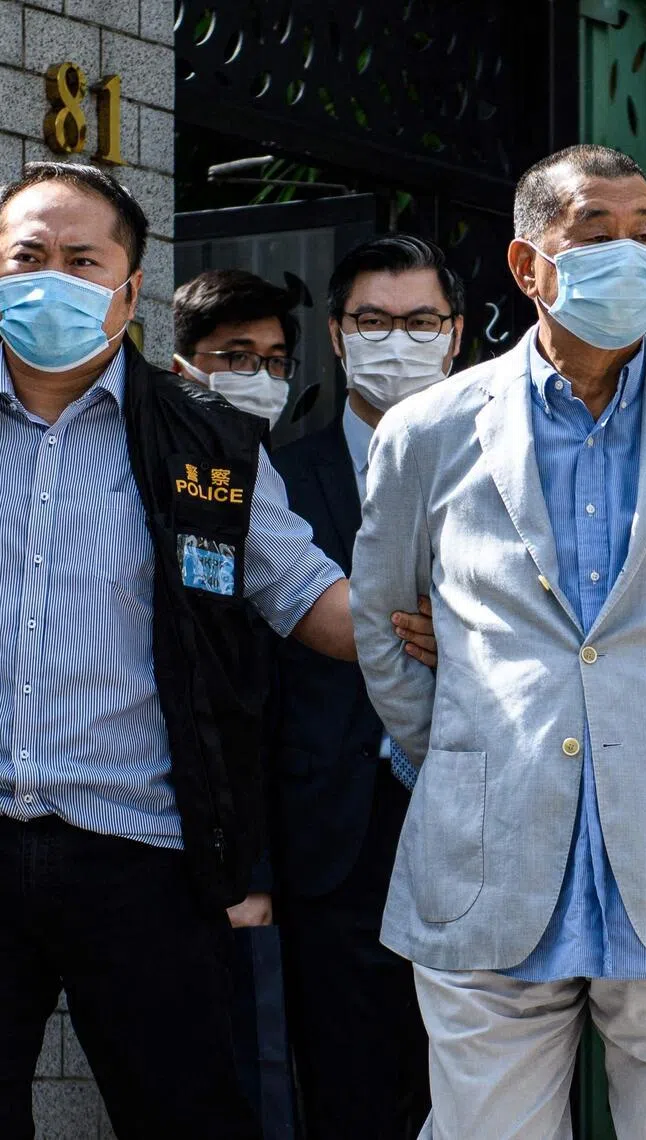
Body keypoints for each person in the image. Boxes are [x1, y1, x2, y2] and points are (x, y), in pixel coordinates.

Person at [350, 143, 646, 1139]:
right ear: (529, 266)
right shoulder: (426, 431)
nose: (630, 253)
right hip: (488, 853)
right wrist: (470, 748)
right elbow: (383, 626)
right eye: (595, 235)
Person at [0, 161, 355, 1140]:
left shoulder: (208, 444)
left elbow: (312, 599)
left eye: (83, 259)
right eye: (28, 257)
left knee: (189, 1116)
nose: (53, 280)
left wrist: (483, 625)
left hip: (142, 853)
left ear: (127, 289)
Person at [270, 234, 464, 1139]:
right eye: (374, 322)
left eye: (420, 321)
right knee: (344, 1093)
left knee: (472, 1090)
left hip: (474, 825)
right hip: (331, 834)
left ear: (456, 334)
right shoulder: (277, 474)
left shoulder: (507, 468)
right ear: (339, 336)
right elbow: (253, 673)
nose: (399, 341)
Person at [171, 267, 309, 1138]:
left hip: (290, 839)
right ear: (185, 364)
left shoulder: (268, 476)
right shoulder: (164, 463)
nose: (259, 376)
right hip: (189, 841)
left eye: (274, 359)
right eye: (235, 356)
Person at [172, 268, 300, 430]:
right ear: (176, 366)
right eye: (240, 356)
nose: (263, 378)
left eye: (276, 360)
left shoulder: (274, 454)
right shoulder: (141, 449)